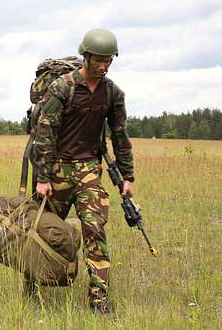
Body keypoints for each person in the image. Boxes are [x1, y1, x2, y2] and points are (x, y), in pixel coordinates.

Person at [31, 28, 134, 316]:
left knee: (95, 230)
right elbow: (44, 133)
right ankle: (32, 284)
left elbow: (121, 137)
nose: (102, 66)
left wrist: (128, 177)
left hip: (90, 170)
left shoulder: (113, 93)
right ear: (85, 57)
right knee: (42, 231)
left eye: (108, 61)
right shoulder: (62, 88)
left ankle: (98, 300)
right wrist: (42, 178)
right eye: (97, 60)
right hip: (56, 170)